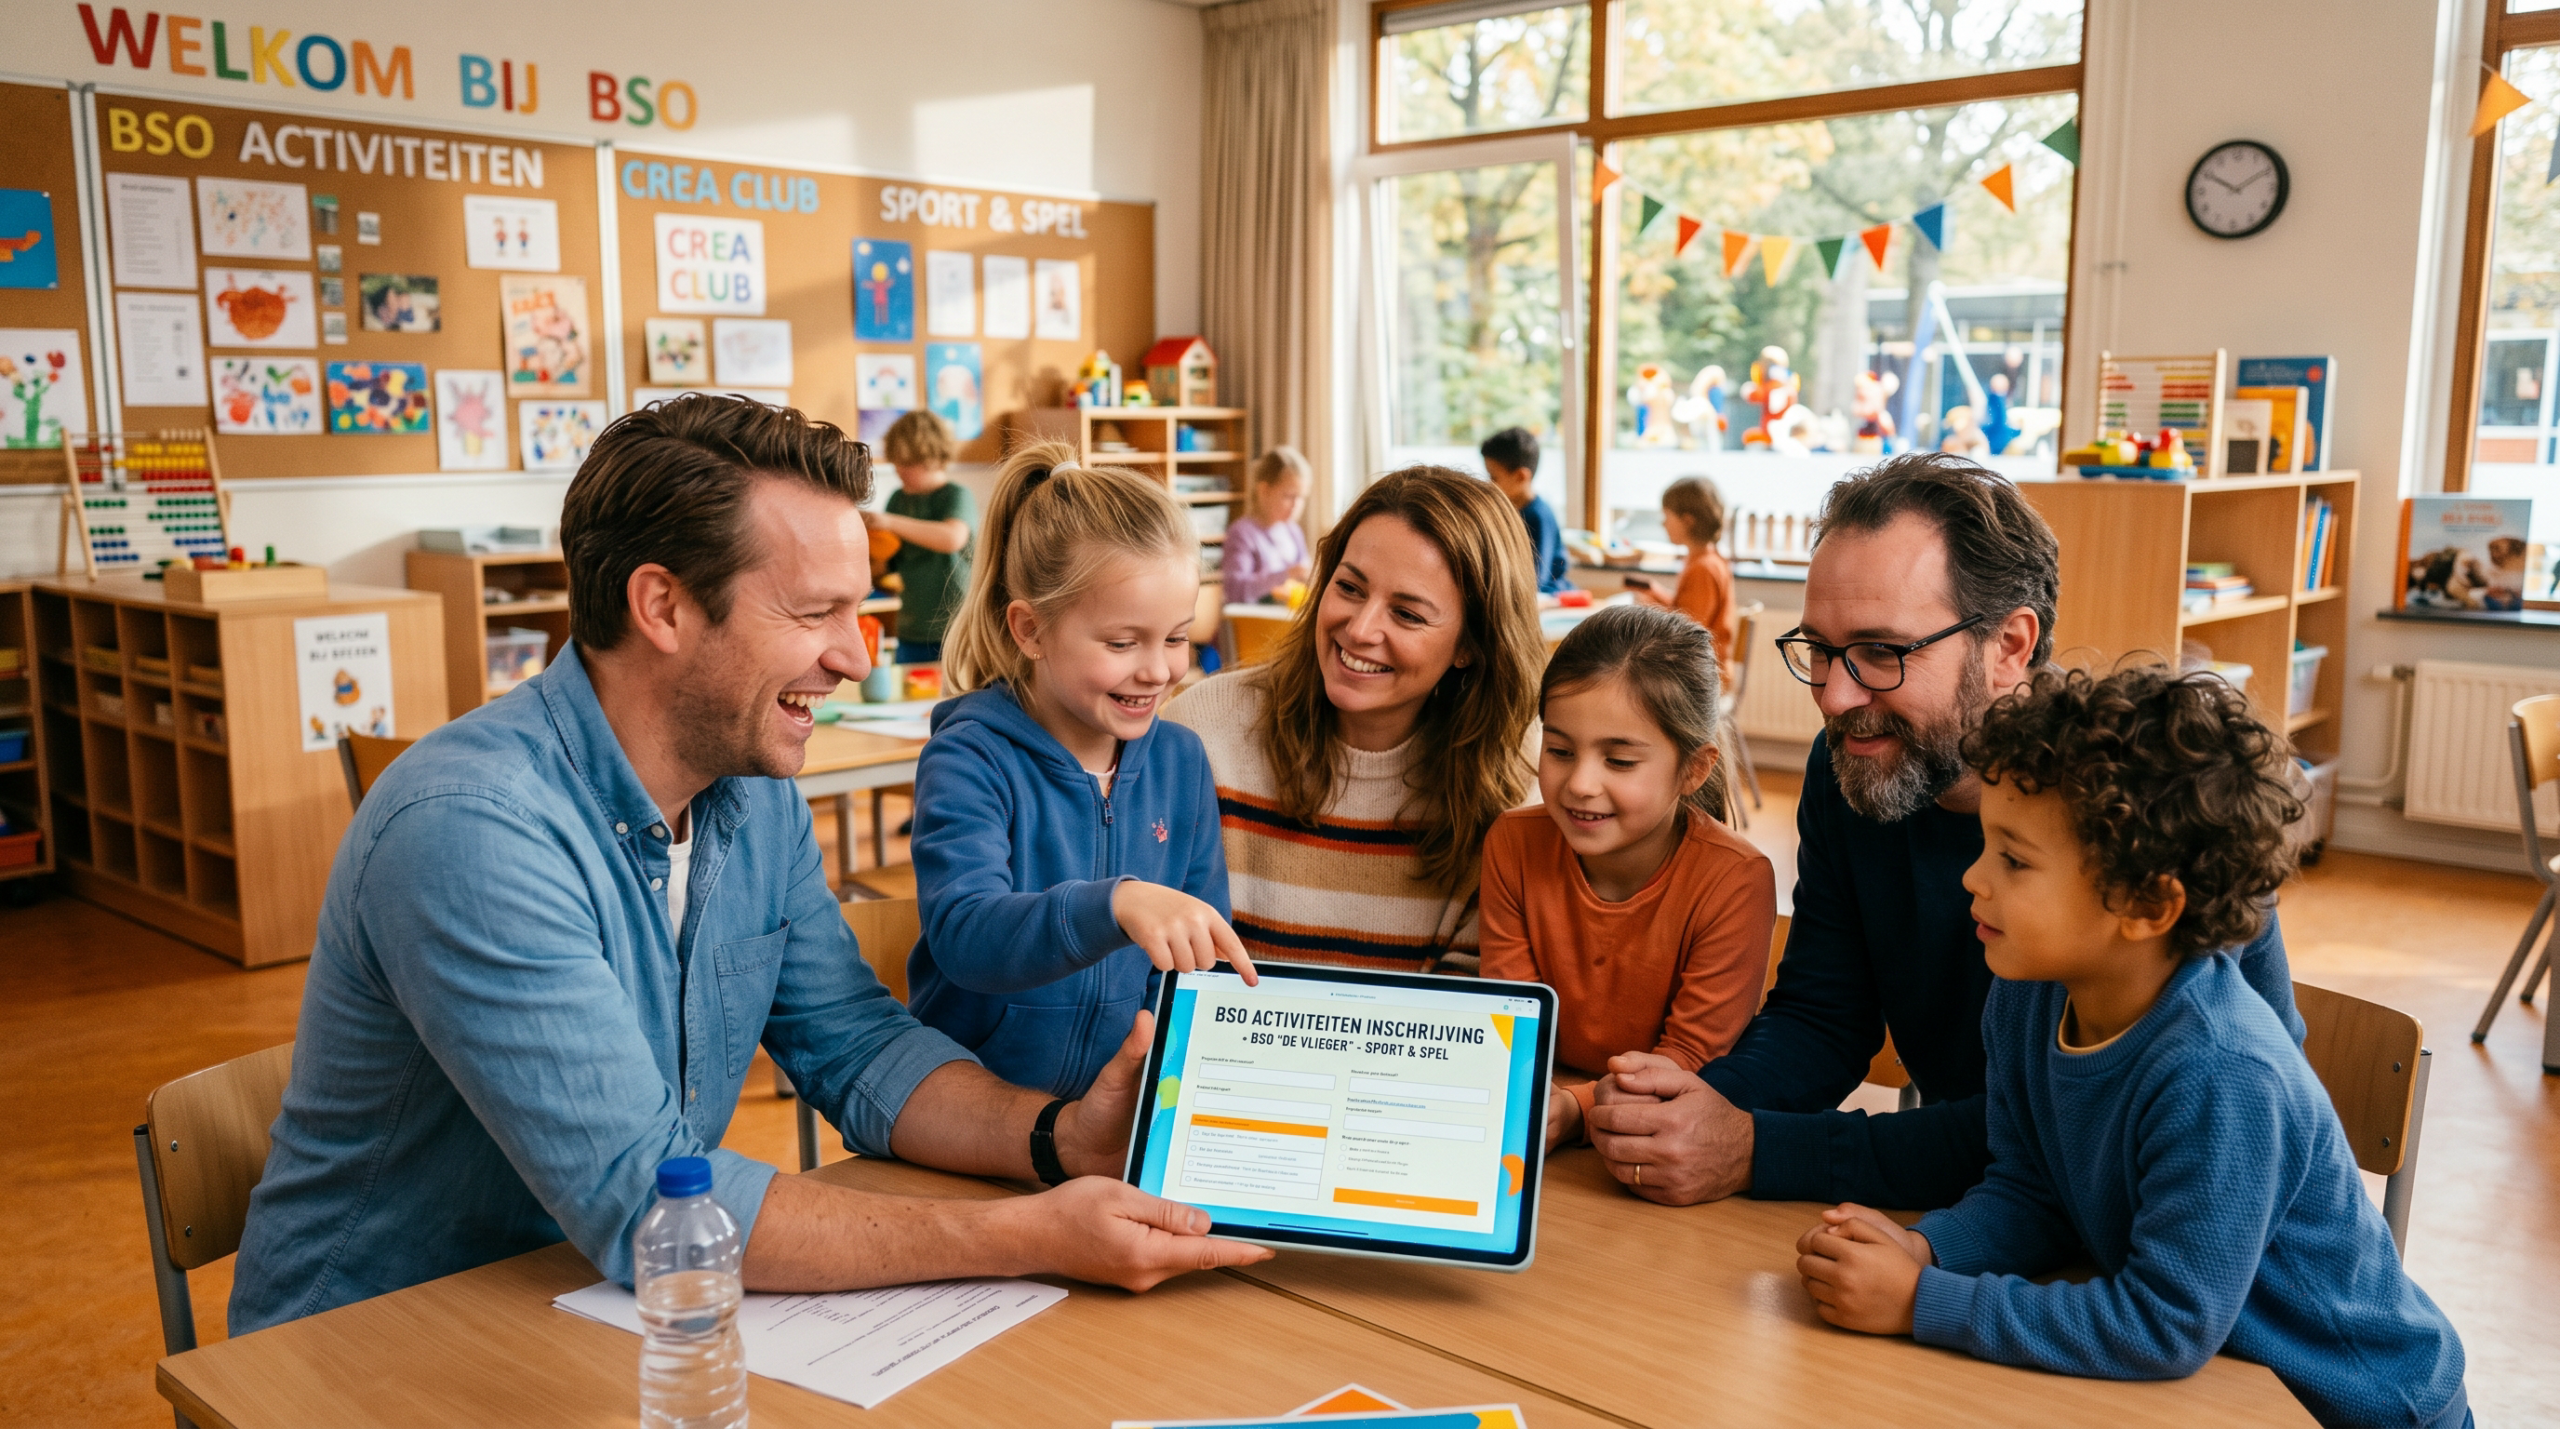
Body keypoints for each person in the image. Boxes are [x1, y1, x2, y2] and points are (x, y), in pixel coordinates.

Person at [229, 397, 1268, 1335]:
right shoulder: (470, 827)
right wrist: (1032, 1232)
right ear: (663, 607)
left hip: (600, 1314)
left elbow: (856, 1048)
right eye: (815, 614)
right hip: (372, 1351)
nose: (858, 656)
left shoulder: (753, 793)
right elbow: (649, 1204)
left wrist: (1059, 1142)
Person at [1585, 452, 2301, 1211]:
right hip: (1988, 1227)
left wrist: (1758, 1148)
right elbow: (1823, 1017)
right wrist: (1691, 1110)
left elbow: (2049, 1135)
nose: (1834, 695)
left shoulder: (2142, 813)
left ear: (2010, 647)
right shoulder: (1852, 769)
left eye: (1880, 652)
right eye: (1821, 651)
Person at [1796, 666, 2469, 1429]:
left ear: (2148, 903)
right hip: (2208, 1384)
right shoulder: (2027, 992)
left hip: (2357, 1404)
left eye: (2014, 860)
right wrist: (1929, 1249)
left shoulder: (2223, 1073)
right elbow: (2031, 1189)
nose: (1972, 877)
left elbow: (2165, 1321)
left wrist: (1926, 1302)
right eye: (1986, 844)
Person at [907, 441, 1250, 1099]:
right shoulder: (970, 756)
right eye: (1123, 643)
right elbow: (964, 935)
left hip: (1120, 1116)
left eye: (1176, 637)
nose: (1158, 669)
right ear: (1030, 630)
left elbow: (1197, 963)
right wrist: (1116, 903)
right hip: (972, 1116)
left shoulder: (1180, 762)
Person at [1164, 465, 1543, 970]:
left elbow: (1472, 1010)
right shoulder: (1202, 729)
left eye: (1407, 614)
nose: (1360, 629)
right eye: (1349, 588)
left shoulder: (1516, 777)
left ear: (1470, 646)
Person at [1481, 605, 1774, 1152]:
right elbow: (1513, 1026)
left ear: (1694, 769)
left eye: (1618, 761)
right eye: (1560, 750)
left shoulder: (1737, 881)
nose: (1580, 784)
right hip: (1527, 1118)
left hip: (1651, 1139)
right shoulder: (1511, 843)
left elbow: (1685, 1062)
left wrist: (1575, 1109)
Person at [862, 409, 974, 665]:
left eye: (906, 463)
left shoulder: (956, 495)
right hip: (912, 630)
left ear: (930, 457)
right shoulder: (898, 500)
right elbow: (887, 562)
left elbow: (952, 538)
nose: (898, 470)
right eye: (896, 462)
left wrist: (889, 522)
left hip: (955, 629)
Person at [1629, 475, 1737, 670]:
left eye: (1667, 516)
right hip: (1702, 665)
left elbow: (1688, 631)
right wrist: (1655, 593)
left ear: (1687, 521)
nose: (1663, 524)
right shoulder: (1705, 558)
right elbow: (1688, 610)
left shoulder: (1703, 568)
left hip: (1701, 672)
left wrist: (1649, 608)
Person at [1481, 426, 1572, 596]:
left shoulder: (1538, 516)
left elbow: (1537, 579)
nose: (1488, 484)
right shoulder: (1504, 512)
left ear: (1521, 476)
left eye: (1494, 477)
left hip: (1547, 596)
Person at [1223, 446, 1313, 606]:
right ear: (1264, 490)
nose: (1296, 505)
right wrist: (1286, 575)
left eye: (1301, 498)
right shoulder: (1242, 533)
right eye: (1289, 496)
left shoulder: (1293, 531)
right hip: (1253, 625)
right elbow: (1235, 591)